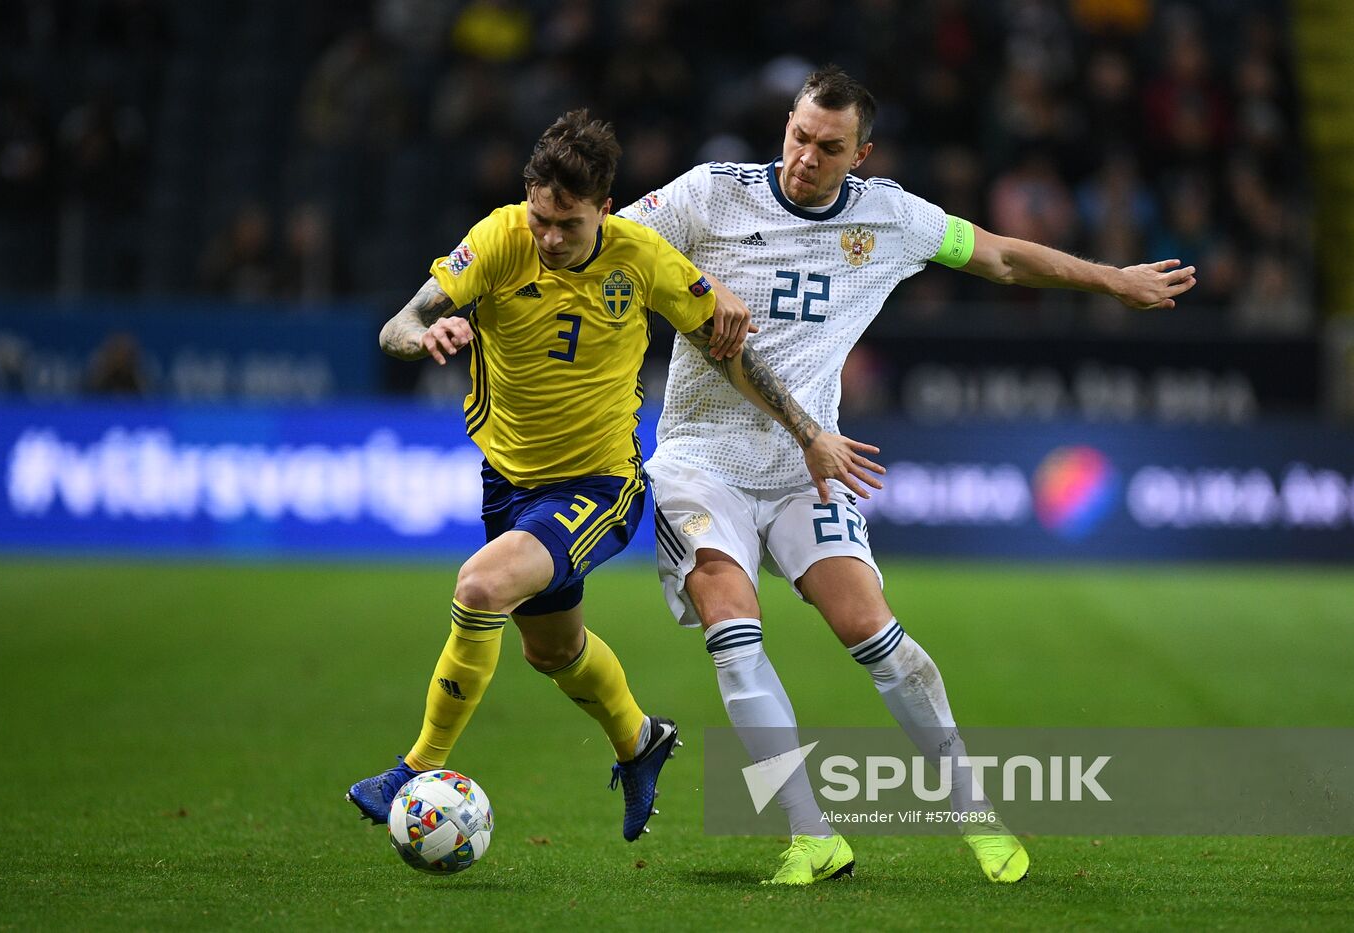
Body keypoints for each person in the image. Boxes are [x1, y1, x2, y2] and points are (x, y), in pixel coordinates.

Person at [620, 66, 1197, 884]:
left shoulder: (890, 217)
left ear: (862, 154)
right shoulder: (710, 194)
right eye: (797, 136)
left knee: (874, 632)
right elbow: (615, 245)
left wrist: (1113, 280)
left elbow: (997, 256)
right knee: (730, 618)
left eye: (828, 148)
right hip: (700, 458)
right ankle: (811, 835)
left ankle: (974, 814)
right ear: (785, 123)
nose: (805, 158)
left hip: (807, 465)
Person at [346, 109, 883, 842]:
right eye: (541, 217)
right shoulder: (500, 239)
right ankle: (641, 741)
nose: (550, 237)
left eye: (567, 223)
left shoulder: (642, 256)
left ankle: (413, 768)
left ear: (605, 206)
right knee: (554, 652)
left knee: (479, 587)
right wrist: (425, 332)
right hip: (508, 483)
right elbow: (398, 324)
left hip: (599, 486)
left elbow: (731, 353)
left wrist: (808, 432)